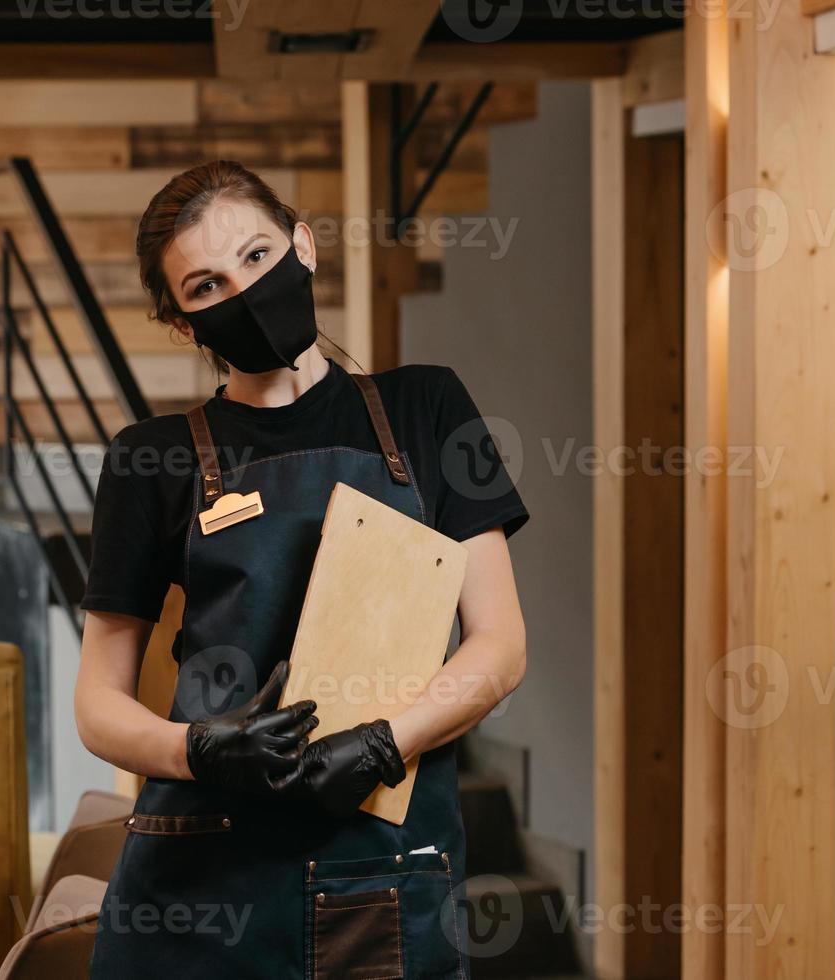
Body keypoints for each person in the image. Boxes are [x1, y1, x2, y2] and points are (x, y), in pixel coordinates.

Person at [75, 159, 528, 978]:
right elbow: (97, 704)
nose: (243, 292)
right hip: (200, 875)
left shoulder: (428, 410)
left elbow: (499, 649)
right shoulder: (151, 459)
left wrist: (385, 746)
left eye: (256, 257)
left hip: (378, 864)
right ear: (185, 325)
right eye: (206, 286)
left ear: (304, 246)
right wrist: (199, 751)